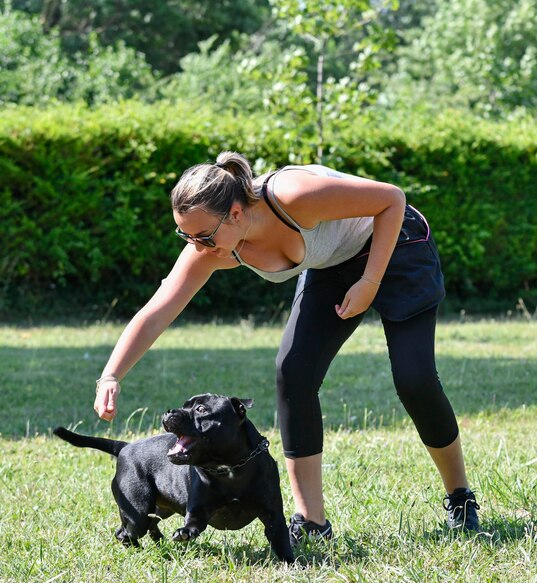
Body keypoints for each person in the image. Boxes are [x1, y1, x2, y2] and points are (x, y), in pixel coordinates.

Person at [94, 151, 480, 545]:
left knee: (414, 379)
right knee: (294, 374)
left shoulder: (293, 195)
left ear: (237, 214)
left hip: (396, 244)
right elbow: (158, 310)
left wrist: (369, 282)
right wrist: (111, 374)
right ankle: (312, 521)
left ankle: (460, 496)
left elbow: (391, 199)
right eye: (186, 235)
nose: (197, 246)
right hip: (331, 262)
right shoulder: (214, 247)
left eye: (203, 235)